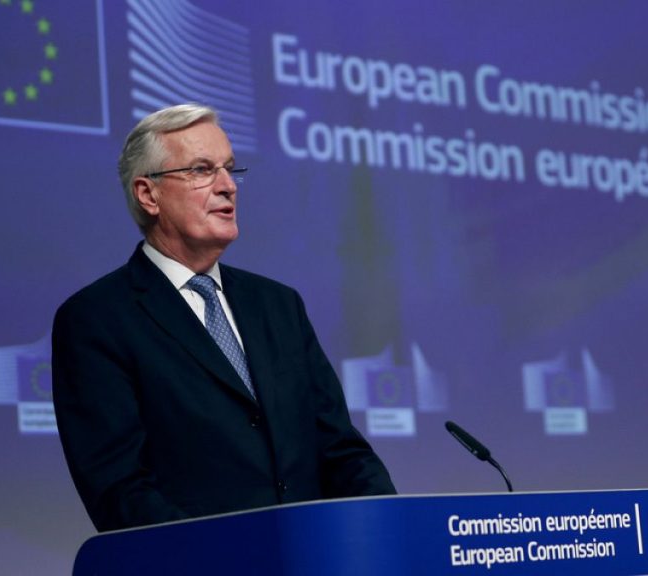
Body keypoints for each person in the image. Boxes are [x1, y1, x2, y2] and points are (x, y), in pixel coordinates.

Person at [52, 103, 396, 532]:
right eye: (201, 170)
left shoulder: (279, 306)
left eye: (230, 169)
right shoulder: (97, 320)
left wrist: (390, 528)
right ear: (148, 194)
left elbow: (341, 450)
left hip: (310, 553)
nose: (228, 186)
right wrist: (224, 555)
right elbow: (120, 490)